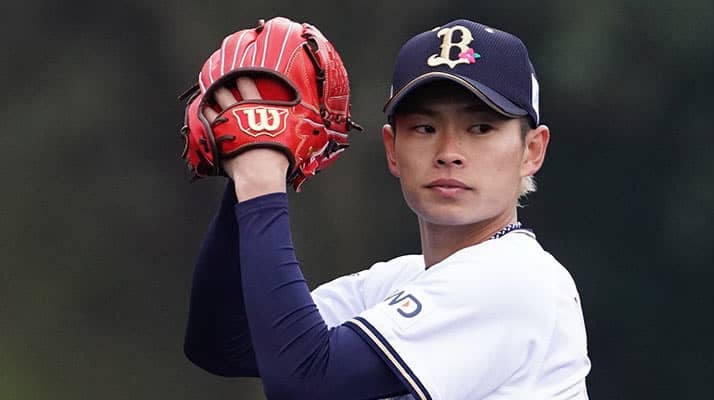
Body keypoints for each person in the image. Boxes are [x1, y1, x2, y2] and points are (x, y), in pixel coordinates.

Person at [183, 19, 591, 399]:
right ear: (392, 149)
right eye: (424, 128)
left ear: (532, 150)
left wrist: (261, 177)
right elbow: (226, 344)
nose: (449, 152)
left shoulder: (516, 280)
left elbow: (305, 379)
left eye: (480, 128)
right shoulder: (398, 282)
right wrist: (249, 157)